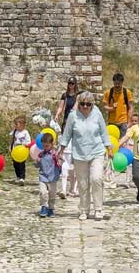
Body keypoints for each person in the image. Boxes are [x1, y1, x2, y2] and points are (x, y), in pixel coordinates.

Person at [59, 91, 112, 220]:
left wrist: (108, 147)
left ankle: (98, 209)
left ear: (92, 104)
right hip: (79, 153)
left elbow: (104, 131)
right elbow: (67, 135)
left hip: (97, 151)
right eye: (82, 104)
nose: (85, 107)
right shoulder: (73, 116)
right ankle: (84, 209)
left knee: (96, 179)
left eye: (88, 104)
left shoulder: (97, 113)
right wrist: (61, 150)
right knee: (83, 183)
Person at [35, 132, 61, 217]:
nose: (45, 148)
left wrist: (59, 161)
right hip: (43, 177)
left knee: (52, 194)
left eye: (47, 146)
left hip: (52, 178)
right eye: (43, 146)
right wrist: (37, 162)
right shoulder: (41, 154)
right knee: (43, 192)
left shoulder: (55, 154)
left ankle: (51, 208)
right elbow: (37, 165)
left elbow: (60, 162)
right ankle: (43, 206)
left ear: (51, 144)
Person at [102, 72, 133, 138]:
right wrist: (112, 108)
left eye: (119, 84)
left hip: (123, 122)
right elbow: (105, 106)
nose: (117, 85)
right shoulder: (108, 93)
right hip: (112, 122)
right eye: (115, 83)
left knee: (123, 143)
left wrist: (129, 122)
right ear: (113, 82)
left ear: (122, 83)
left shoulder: (127, 92)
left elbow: (131, 107)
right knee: (112, 142)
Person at [9, 116, 32, 185]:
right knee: (15, 164)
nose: (15, 126)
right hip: (15, 151)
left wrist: (25, 145)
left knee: (21, 164)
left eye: (17, 124)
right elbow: (11, 139)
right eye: (15, 124)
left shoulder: (25, 132)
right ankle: (18, 176)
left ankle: (22, 178)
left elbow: (28, 141)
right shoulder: (14, 131)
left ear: (22, 125)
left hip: (22, 151)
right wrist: (10, 147)